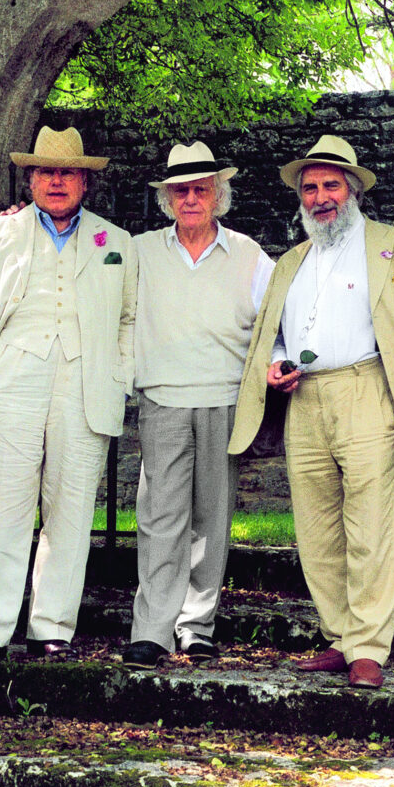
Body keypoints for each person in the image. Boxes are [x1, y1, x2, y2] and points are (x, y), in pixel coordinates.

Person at [228, 135, 394, 688]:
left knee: (372, 525)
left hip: (371, 391)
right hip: (306, 400)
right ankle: (339, 637)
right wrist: (278, 362)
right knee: (316, 527)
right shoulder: (290, 261)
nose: (320, 196)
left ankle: (369, 649)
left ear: (353, 190)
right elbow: (274, 334)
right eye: (310, 187)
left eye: (331, 184)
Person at [0, 126, 137, 667]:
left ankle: (51, 626)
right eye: (46, 171)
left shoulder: (115, 242)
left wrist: (117, 376)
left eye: (67, 172)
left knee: (71, 508)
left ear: (85, 181)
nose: (57, 180)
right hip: (8, 379)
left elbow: (127, 320)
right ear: (31, 178)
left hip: (85, 384)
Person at [121, 141, 275, 670]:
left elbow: (278, 321)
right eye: (180, 190)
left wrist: (276, 366)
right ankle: (153, 630)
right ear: (167, 198)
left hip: (224, 399)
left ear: (218, 195)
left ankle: (197, 626)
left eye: (200, 189)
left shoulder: (251, 255)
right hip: (163, 398)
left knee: (212, 518)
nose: (190, 198)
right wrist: (14, 219)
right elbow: (86, 256)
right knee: (159, 516)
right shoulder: (137, 250)